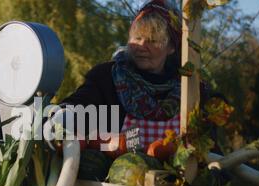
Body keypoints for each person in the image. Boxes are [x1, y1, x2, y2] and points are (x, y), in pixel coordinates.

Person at [61, 0, 211, 151]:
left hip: (177, 174)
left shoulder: (189, 87)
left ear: (171, 47)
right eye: (137, 38)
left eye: (152, 41)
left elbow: (208, 145)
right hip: (113, 172)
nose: (141, 46)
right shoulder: (106, 77)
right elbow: (76, 107)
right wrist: (59, 116)